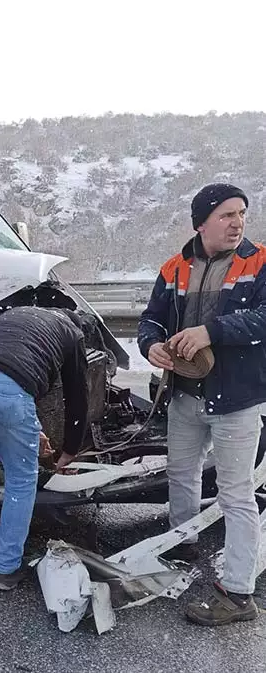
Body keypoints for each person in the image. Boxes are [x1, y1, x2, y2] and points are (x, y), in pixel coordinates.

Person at [138, 183, 266, 626]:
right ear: (202, 221)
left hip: (236, 398)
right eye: (228, 214)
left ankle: (238, 594)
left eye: (242, 214)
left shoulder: (260, 261)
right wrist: (150, 344)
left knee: (236, 494)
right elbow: (151, 318)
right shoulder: (174, 267)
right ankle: (182, 541)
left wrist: (212, 331)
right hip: (184, 393)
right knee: (181, 475)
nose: (237, 223)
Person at [0, 305, 89, 592]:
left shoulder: (22, 314)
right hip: (5, 388)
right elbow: (77, 398)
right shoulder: (72, 333)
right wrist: (71, 449)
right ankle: (6, 570)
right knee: (21, 479)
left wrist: (33, 428)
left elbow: (5, 362)